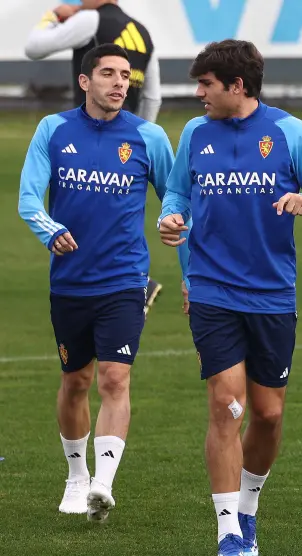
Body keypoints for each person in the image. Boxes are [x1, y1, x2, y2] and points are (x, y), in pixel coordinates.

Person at [157, 39, 302, 556]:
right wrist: (170, 218)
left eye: (206, 84)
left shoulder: (290, 133)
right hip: (212, 290)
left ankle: (247, 510)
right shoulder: (196, 133)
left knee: (267, 415)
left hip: (271, 295)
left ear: (236, 86)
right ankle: (227, 534)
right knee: (227, 406)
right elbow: (177, 193)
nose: (198, 93)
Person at [17, 43, 173, 522]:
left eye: (126, 75)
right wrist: (52, 231)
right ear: (85, 81)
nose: (120, 82)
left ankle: (102, 483)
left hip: (125, 279)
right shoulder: (54, 129)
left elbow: (177, 200)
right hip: (70, 283)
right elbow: (28, 200)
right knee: (75, 380)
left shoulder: (149, 137)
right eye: (108, 73)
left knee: (114, 377)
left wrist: (176, 232)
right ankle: (76, 475)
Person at [25, 0, 166, 317]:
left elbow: (34, 48)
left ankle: (132, 286)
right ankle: (138, 282)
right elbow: (153, 95)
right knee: (108, 223)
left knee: (85, 216)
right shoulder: (142, 33)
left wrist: (55, 16)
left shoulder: (89, 20)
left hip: (87, 134)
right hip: (127, 145)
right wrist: (139, 139)